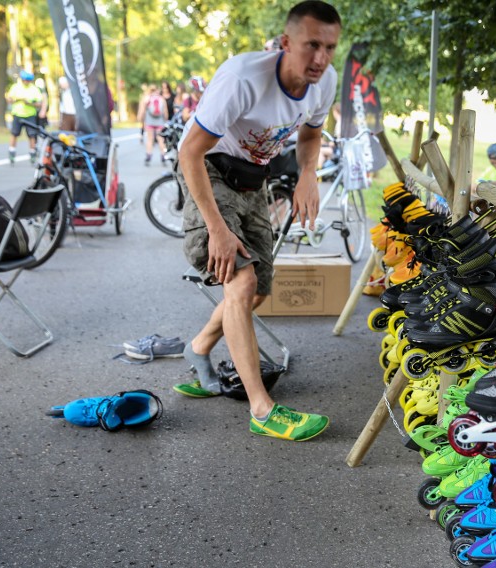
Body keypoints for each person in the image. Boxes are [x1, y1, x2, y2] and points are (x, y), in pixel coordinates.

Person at [173, 0, 340, 442]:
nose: (320, 58)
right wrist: (217, 230)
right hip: (208, 169)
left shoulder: (325, 83)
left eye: (329, 48)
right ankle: (262, 409)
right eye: (311, 46)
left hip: (252, 179)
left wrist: (309, 174)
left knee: (258, 291)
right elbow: (189, 152)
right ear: (286, 43)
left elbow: (311, 134)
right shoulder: (244, 79)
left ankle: (200, 348)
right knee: (240, 284)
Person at [6, 70, 45, 165]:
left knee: (32, 135)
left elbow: (39, 103)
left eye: (28, 80)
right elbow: (9, 99)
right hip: (17, 114)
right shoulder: (15, 87)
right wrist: (16, 99)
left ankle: (32, 153)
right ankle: (12, 152)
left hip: (30, 115)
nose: (26, 82)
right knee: (14, 134)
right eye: (25, 80)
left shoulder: (34, 89)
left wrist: (30, 103)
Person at [137, 85, 168, 165]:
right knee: (161, 139)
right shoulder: (161, 99)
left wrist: (140, 119)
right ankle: (163, 156)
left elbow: (142, 111)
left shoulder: (147, 98)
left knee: (150, 139)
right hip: (160, 122)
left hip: (149, 122)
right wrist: (165, 120)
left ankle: (148, 156)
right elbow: (165, 112)